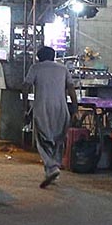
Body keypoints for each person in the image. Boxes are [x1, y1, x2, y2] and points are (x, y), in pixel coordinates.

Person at [23, 46, 78, 188]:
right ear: (53, 56)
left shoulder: (36, 68)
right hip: (61, 108)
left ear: (38, 57)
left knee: (43, 140)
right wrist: (75, 108)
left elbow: (25, 86)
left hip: (42, 108)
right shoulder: (63, 69)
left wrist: (25, 107)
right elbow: (71, 88)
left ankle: (51, 167)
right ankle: (51, 171)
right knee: (59, 139)